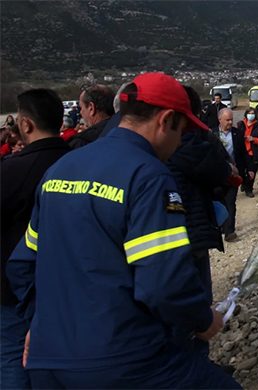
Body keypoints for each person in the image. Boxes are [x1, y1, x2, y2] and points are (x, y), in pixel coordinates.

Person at [5, 73, 239, 389]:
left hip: (48, 362)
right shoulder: (148, 176)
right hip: (124, 360)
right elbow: (163, 284)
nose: (179, 142)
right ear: (166, 120)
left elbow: (21, 265)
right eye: (182, 132)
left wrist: (39, 322)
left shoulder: (60, 170)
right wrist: (202, 320)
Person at [0, 89, 71, 389]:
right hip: (69, 286)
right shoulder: (78, 162)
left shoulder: (11, 171)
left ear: (26, 125)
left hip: (13, 291)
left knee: (14, 363)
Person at [167, 86, 234, 356]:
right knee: (193, 305)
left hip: (178, 237)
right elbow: (223, 176)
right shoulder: (194, 144)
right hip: (191, 235)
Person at [212, 108, 247, 243]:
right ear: (220, 119)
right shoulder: (211, 134)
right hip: (216, 175)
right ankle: (220, 227)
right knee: (218, 202)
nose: (230, 122)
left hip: (233, 174)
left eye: (231, 119)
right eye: (227, 120)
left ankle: (229, 231)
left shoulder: (237, 133)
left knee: (230, 203)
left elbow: (243, 153)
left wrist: (248, 169)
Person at [237, 108, 258, 197]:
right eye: (249, 113)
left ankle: (249, 189)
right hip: (242, 152)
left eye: (253, 113)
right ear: (246, 114)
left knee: (252, 172)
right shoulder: (240, 124)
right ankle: (243, 183)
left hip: (253, 153)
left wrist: (254, 139)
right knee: (241, 171)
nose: (251, 115)